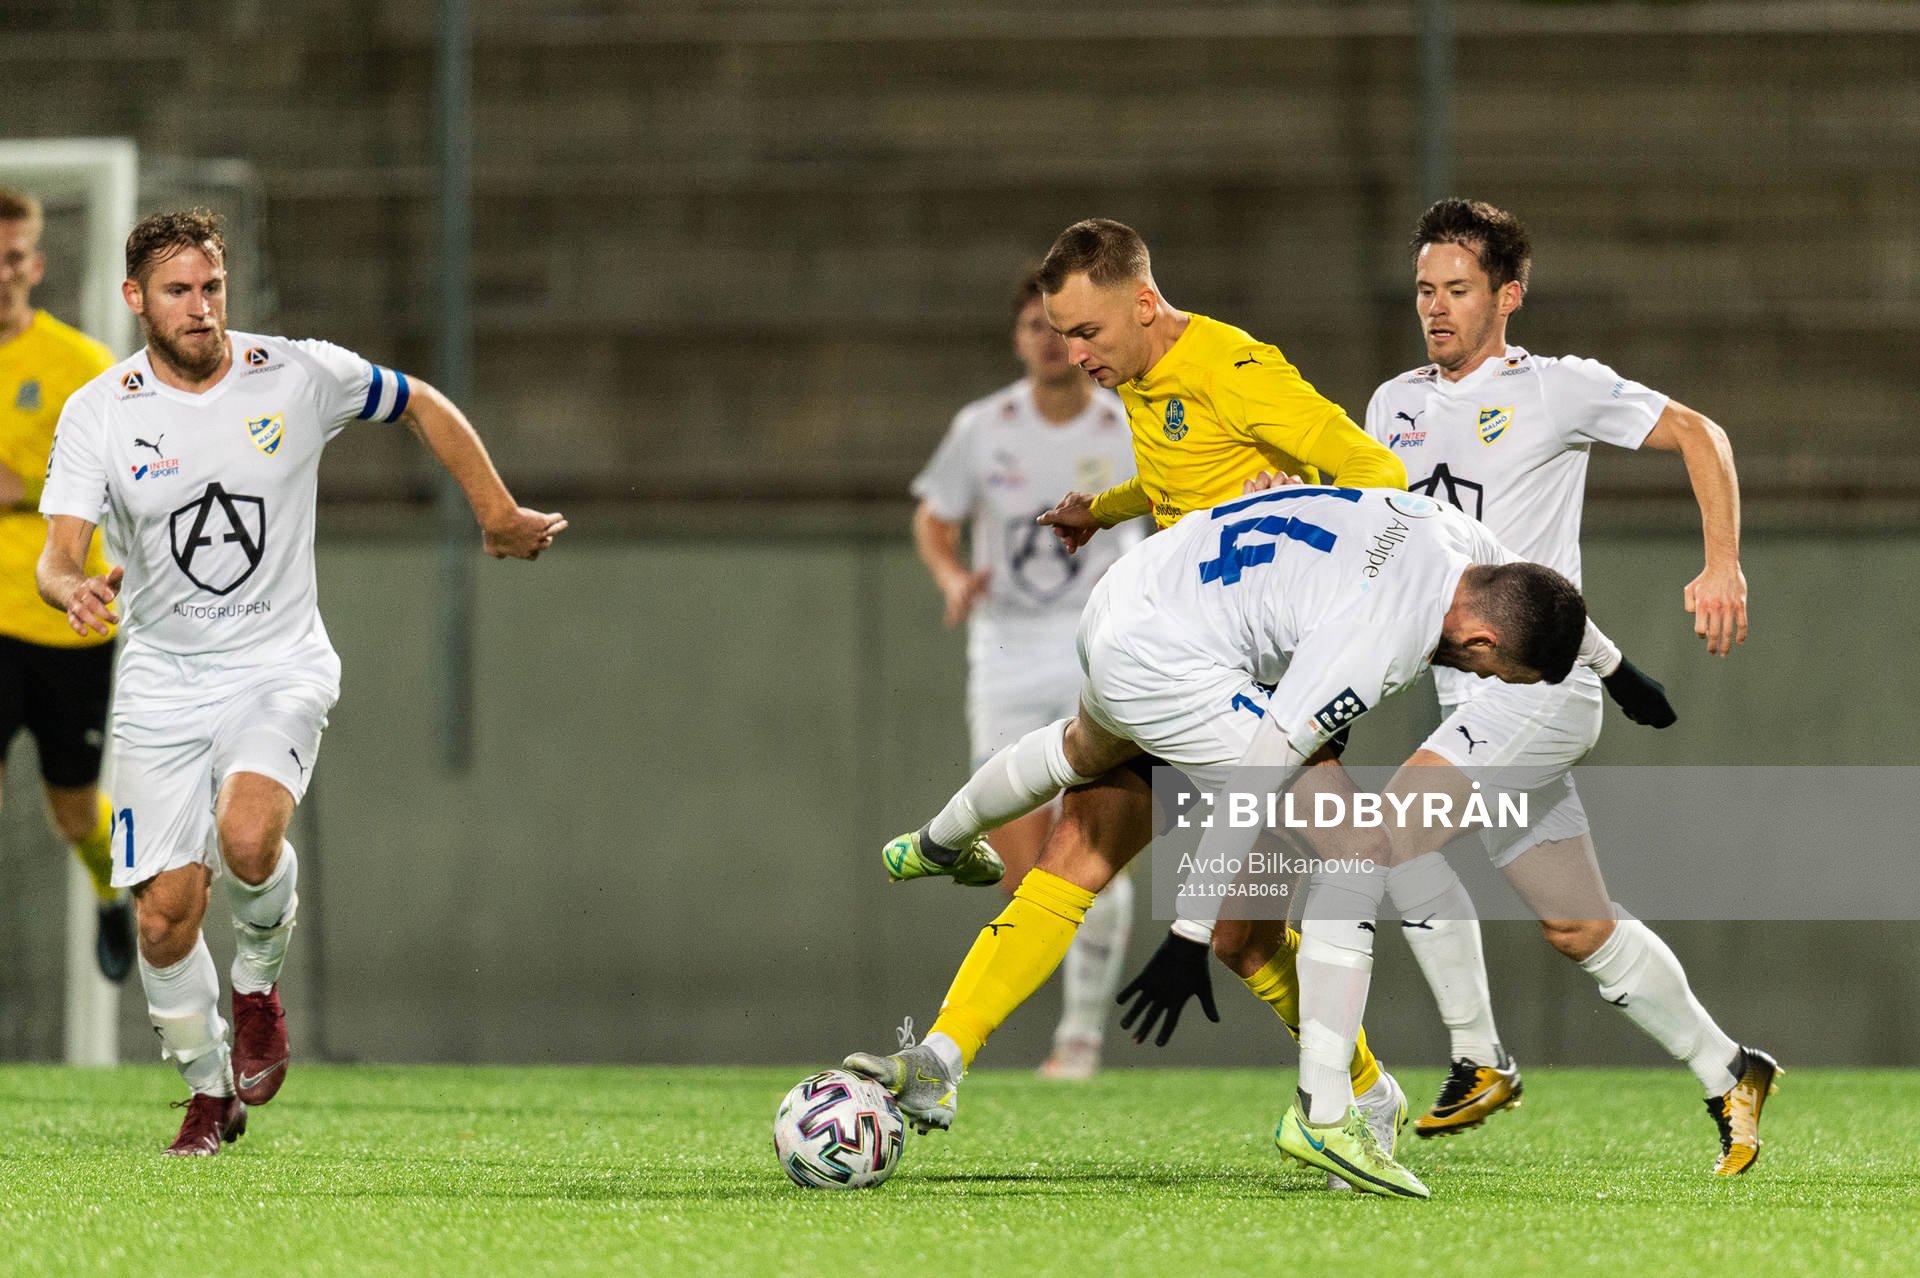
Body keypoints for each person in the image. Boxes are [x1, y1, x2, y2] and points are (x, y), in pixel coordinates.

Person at [848, 483, 1626, 1199]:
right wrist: (1183, 932)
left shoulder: (1453, 535)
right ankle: (1331, 1113)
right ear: (1485, 641)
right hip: (1180, 668)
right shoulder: (1379, 638)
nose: (1487, 684)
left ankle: (940, 1013)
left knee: (1093, 808)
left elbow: (1539, 601)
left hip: (1133, 602)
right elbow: (1261, 771)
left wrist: (1616, 669)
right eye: (1501, 676)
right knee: (1353, 850)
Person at [35, 210, 564, 1155]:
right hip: (160, 679)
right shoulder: (99, 412)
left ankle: (257, 988)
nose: (201, 310)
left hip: (278, 662)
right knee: (161, 918)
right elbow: (58, 556)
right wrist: (73, 587)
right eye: (177, 292)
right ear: (134, 301)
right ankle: (209, 1094)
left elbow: (420, 403)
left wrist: (496, 511)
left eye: (211, 288)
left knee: (247, 838)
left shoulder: (296, 372)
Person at [882, 218, 1411, 1129]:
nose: (1074, 351)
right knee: (1073, 858)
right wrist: (1109, 507)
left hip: (1269, 681)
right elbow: (1184, 479)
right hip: (1182, 659)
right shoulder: (1139, 373)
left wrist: (1294, 500)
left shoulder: (1236, 370)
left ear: (1144, 303)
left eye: (1086, 332)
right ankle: (941, 1056)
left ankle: (1366, 1093)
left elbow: (1381, 472)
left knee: (1252, 931)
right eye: (1060, 333)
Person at [1352, 198, 1774, 1173]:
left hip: (1541, 691)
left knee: (1393, 833)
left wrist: (1723, 566)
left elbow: (1703, 437)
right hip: (1474, 701)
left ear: (1509, 294)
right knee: (1578, 923)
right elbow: (1393, 544)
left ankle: (1478, 1057)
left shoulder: (1558, 390)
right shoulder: (1392, 405)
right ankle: (1731, 1069)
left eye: (1457, 290)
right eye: (1424, 289)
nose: (1437, 308)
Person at [904, 270, 1141, 1079]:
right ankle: (1036, 1019)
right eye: (1036, 327)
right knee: (1023, 871)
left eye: (1064, 328)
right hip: (1005, 655)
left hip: (1099, 651)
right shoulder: (985, 427)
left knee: (1095, 835)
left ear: (1085, 339)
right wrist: (951, 578)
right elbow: (935, 518)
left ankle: (1078, 1038)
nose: (1050, 341)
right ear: (1018, 339)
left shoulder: (1127, 423)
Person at [0, 186, 133, 982]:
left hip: (66, 623)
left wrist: (27, 486)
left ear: (36, 266)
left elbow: (122, 478)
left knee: (75, 811)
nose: (0, 274)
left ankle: (111, 892)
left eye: (12, 259)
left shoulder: (82, 367)